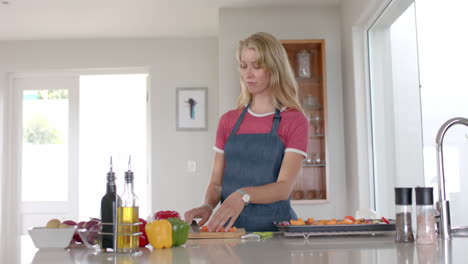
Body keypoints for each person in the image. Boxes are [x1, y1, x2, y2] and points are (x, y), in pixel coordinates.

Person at [184, 32, 309, 232]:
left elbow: (284, 187)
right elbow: (216, 183)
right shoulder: (228, 121)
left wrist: (242, 195)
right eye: (244, 66)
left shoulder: (294, 120)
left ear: (275, 68)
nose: (248, 74)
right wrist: (207, 206)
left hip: (276, 233)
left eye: (257, 66)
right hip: (230, 233)